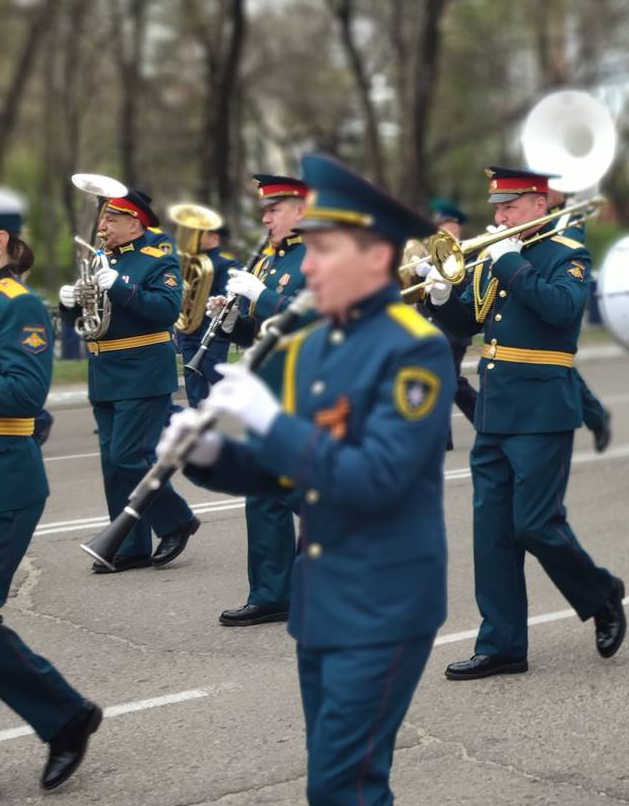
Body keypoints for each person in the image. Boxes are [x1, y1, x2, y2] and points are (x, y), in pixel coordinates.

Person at [165, 153, 452, 804]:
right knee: (339, 780)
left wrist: (270, 423)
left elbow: (374, 478)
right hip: (320, 599)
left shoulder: (415, 347)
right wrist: (206, 456)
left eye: (324, 249)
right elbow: (288, 480)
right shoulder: (316, 341)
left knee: (340, 785)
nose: (309, 264)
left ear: (376, 256)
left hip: (384, 603)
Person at [426, 167, 626, 680]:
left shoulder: (567, 252)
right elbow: (468, 322)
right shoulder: (498, 256)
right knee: (492, 534)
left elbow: (562, 310)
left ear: (539, 203)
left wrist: (510, 261)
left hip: (541, 411)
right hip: (495, 412)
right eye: (496, 208)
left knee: (536, 524)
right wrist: (440, 296)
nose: (499, 217)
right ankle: (502, 645)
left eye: (509, 207)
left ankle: (600, 593)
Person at [1, 189, 104, 792]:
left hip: (7, 482)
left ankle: (64, 716)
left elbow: (23, 393)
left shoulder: (19, 307)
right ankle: (66, 715)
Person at [59, 188, 200, 573]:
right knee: (113, 463)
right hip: (103, 371)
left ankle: (176, 520)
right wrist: (69, 304)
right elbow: (86, 323)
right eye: (102, 219)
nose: (101, 227)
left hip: (142, 370)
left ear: (134, 222)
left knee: (129, 457)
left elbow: (165, 311)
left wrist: (118, 285)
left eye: (110, 220)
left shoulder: (159, 260)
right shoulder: (101, 260)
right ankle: (128, 545)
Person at [210, 174, 309, 627]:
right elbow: (262, 330)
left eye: (274, 209)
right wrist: (230, 318)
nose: (265, 217)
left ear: (302, 210)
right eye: (265, 210)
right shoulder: (271, 259)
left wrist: (262, 296)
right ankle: (271, 592)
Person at [544, 189, 613, 453]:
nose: (545, 191)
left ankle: (595, 417)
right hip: (542, 298)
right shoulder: (554, 215)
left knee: (557, 367)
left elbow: (565, 252)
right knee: (559, 369)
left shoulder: (572, 217)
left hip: (559, 296)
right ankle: (597, 416)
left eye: (550, 187)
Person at [428, 198, 479, 427]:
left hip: (454, 328)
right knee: (443, 380)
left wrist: (440, 271)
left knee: (447, 380)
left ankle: (482, 417)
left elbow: (467, 286)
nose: (442, 230)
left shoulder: (466, 254)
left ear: (456, 228)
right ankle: (480, 418)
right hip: (432, 326)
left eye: (446, 226)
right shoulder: (431, 251)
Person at [177, 224, 235, 406]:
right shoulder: (188, 263)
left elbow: (229, 298)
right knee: (194, 386)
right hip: (188, 331)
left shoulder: (227, 263)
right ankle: (198, 425)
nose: (193, 237)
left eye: (199, 233)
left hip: (212, 332)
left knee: (216, 379)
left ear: (214, 236)